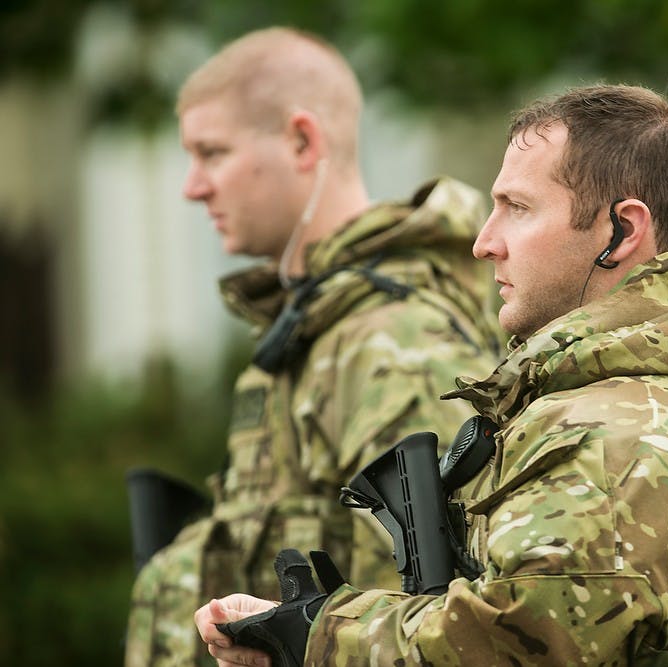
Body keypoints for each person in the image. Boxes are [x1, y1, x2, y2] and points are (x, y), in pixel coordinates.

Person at [195, 84, 668, 666]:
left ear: (623, 230)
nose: (485, 241)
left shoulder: (630, 426)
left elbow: (525, 640)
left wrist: (319, 634)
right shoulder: (637, 391)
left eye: (518, 208)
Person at [124, 27, 501, 667]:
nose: (193, 186)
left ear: (303, 142)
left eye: (212, 153)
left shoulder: (389, 342)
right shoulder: (313, 330)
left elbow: (444, 607)